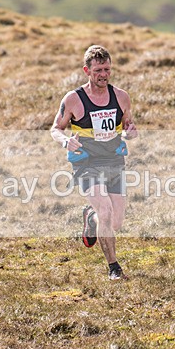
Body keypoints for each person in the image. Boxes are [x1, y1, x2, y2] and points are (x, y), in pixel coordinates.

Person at [51, 45, 138, 280]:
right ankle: (114, 268)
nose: (103, 74)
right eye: (98, 70)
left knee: (116, 222)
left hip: (114, 161)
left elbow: (129, 125)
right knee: (106, 211)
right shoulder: (73, 99)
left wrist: (130, 132)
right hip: (87, 163)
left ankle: (91, 216)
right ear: (86, 70)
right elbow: (55, 128)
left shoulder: (121, 97)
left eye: (107, 69)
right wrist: (65, 141)